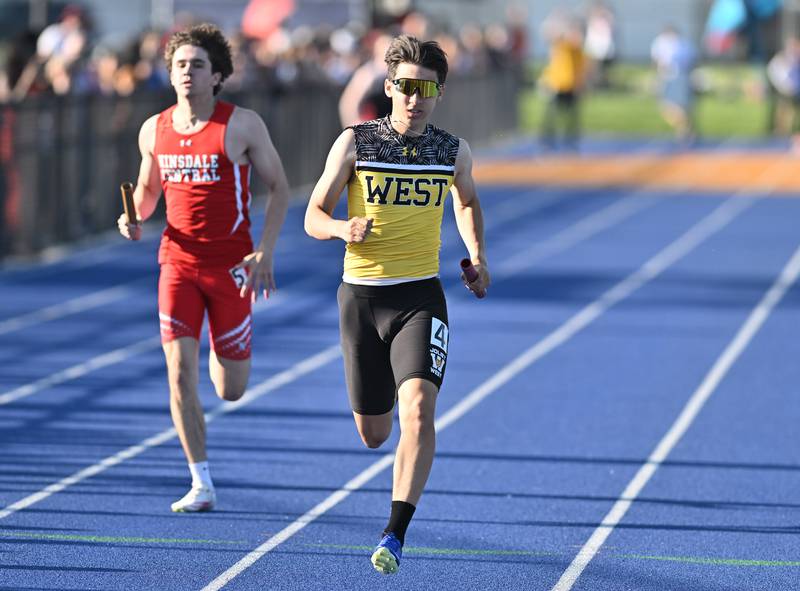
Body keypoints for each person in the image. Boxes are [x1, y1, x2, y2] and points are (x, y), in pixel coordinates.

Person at [304, 34, 490, 575]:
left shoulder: (451, 150)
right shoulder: (356, 143)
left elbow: (469, 199)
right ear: (388, 88)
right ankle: (389, 490)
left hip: (420, 298)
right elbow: (313, 213)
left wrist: (476, 256)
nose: (414, 97)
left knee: (418, 412)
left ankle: (394, 533)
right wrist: (342, 228)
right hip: (361, 299)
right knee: (375, 432)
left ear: (439, 93)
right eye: (405, 86)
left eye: (425, 88)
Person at [117, 23, 289, 512]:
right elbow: (148, 192)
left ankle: (223, 346)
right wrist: (133, 220)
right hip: (176, 262)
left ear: (217, 77)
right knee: (177, 374)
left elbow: (279, 187)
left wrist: (266, 250)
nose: (187, 73)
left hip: (230, 267)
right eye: (179, 65)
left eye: (197, 65)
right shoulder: (154, 128)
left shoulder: (242, 125)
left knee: (230, 390)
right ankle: (201, 481)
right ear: (169, 75)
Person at [539, 12, 588, 150]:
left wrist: (582, 84)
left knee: (572, 118)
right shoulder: (561, 44)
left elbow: (581, 69)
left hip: (571, 86)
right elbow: (550, 34)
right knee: (551, 117)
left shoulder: (578, 50)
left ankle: (570, 141)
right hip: (557, 85)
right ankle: (547, 141)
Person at [651, 25, 697, 142]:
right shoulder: (684, 44)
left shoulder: (666, 44)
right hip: (678, 76)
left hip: (673, 77)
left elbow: (660, 62)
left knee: (668, 107)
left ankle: (684, 128)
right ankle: (684, 129)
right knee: (677, 107)